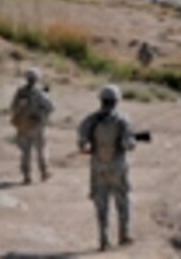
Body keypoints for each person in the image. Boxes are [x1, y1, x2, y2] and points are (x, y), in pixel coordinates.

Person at [78, 85, 136, 251]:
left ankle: (104, 240)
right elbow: (128, 144)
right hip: (118, 167)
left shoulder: (90, 120)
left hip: (98, 167)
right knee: (122, 200)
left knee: (101, 204)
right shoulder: (122, 120)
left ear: (101, 100)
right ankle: (124, 235)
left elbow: (83, 143)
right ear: (117, 101)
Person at [10, 67, 54, 184]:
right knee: (41, 150)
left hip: (23, 124)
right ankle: (44, 172)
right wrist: (42, 116)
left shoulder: (20, 92)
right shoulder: (40, 93)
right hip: (37, 125)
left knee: (26, 152)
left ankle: (26, 175)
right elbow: (50, 107)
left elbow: (13, 107)